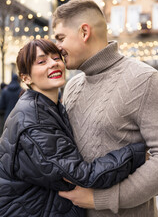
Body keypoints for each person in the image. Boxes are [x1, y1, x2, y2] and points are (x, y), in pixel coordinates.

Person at [0, 39, 145, 217]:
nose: (53, 63)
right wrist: (137, 152)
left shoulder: (49, 107)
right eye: (42, 61)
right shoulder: (35, 120)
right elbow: (81, 176)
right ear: (26, 77)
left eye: (56, 58)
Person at [52, 0, 158, 216]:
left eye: (60, 38)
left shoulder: (144, 79)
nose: (57, 47)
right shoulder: (72, 86)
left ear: (84, 32)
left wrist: (99, 199)